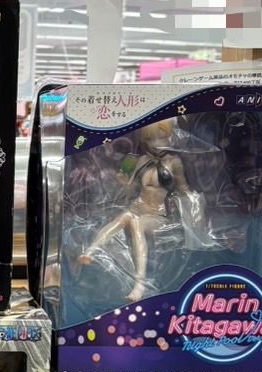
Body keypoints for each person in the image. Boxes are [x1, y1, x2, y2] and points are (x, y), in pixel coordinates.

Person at [77, 119, 205, 301]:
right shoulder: (142, 160)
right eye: (150, 139)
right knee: (123, 218)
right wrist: (123, 182)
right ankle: (90, 251)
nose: (155, 144)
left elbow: (183, 188)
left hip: (158, 213)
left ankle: (139, 284)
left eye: (161, 138)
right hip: (137, 205)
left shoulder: (173, 162)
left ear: (170, 137)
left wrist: (196, 204)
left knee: (136, 222)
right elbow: (131, 189)